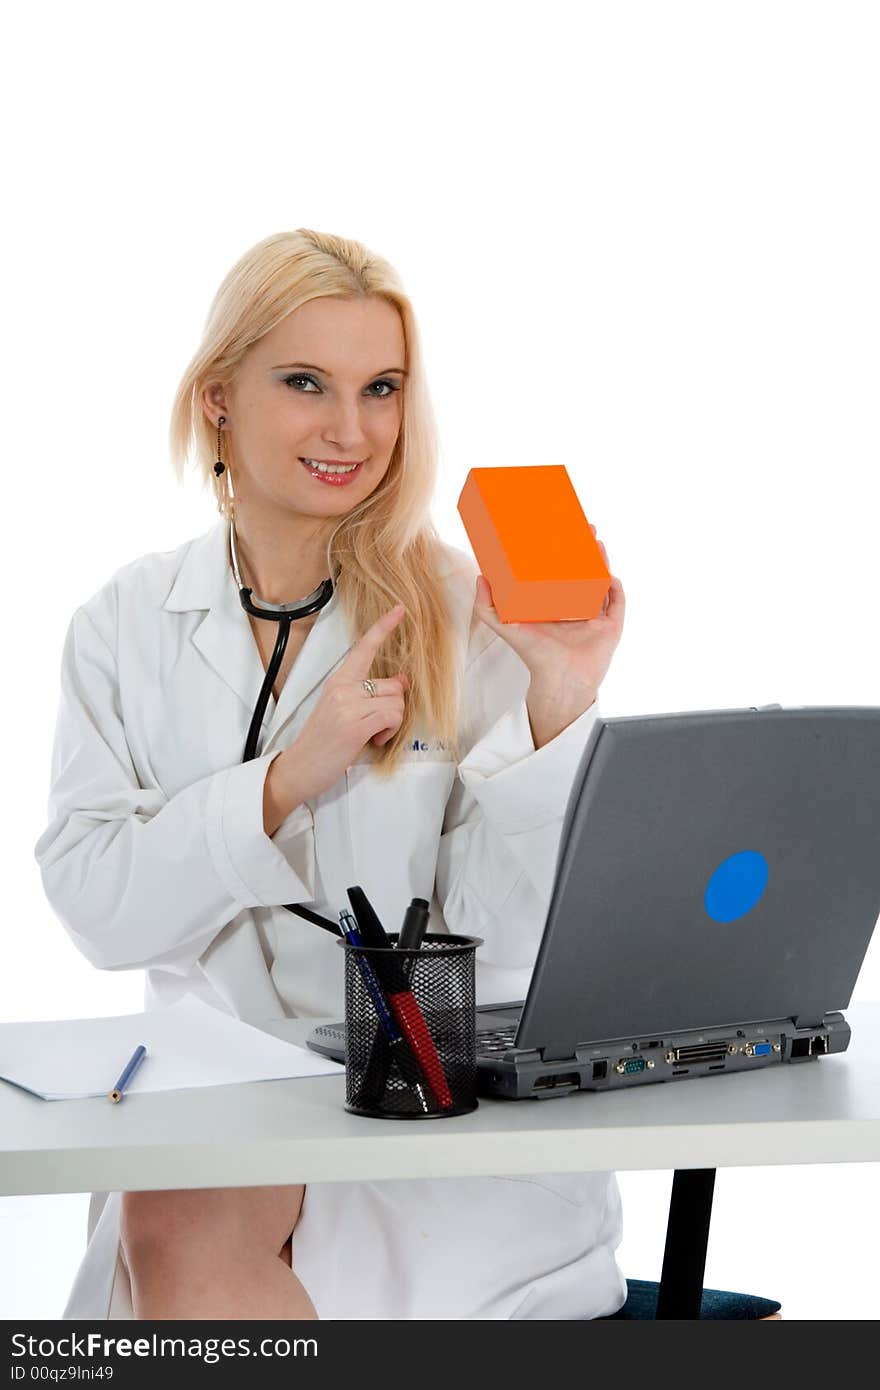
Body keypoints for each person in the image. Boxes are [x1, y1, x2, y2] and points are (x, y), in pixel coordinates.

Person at [34, 227, 628, 1321]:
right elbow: (99, 911)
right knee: (180, 1211)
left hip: (431, 1113)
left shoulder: (468, 611)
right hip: (214, 1094)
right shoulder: (124, 623)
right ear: (218, 397)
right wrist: (281, 782)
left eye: (381, 388)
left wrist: (556, 701)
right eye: (305, 382)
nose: (350, 430)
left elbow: (521, 949)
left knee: (183, 1235)